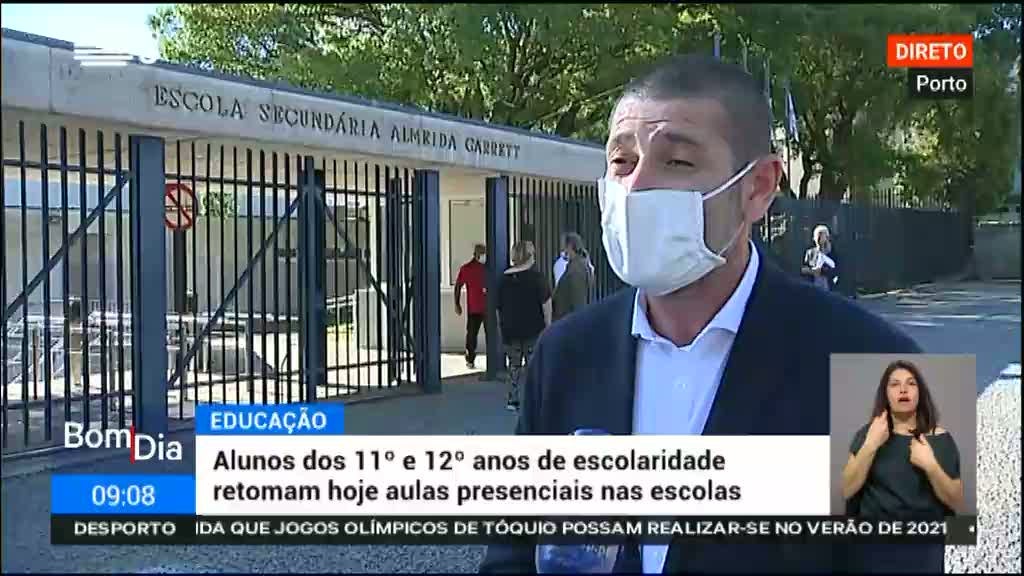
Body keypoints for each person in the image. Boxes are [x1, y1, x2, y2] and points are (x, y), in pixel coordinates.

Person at [480, 54, 922, 574]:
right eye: (622, 161)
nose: (636, 187)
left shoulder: (886, 369)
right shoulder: (563, 354)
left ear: (758, 187)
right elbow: (510, 557)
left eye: (677, 162)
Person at [841, 360, 962, 572]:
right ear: (885, 394)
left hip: (923, 551)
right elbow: (847, 489)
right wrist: (871, 445)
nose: (903, 390)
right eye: (895, 384)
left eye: (911, 383)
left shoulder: (941, 439)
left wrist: (931, 465)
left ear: (920, 394)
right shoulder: (868, 434)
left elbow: (956, 500)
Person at [496, 241, 551, 412]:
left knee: (513, 366)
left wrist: (502, 327)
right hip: (533, 329)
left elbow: (498, 307)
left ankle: (512, 399)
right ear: (530, 256)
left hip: (510, 330)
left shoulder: (504, 279)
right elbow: (546, 305)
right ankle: (533, 401)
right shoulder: (537, 278)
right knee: (533, 367)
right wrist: (548, 327)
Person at [454, 243, 487, 369]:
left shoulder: (488, 268)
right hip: (475, 308)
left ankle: (494, 361)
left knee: (492, 336)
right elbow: (458, 286)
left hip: (488, 307)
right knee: (471, 336)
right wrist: (457, 304)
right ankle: (470, 359)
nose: (484, 256)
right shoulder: (467, 269)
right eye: (482, 253)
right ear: (476, 254)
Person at [551, 232, 593, 321]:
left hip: (569, 320)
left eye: (564, 246)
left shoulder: (577, 269)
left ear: (570, 246)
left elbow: (578, 300)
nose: (563, 249)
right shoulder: (575, 266)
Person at [801, 224, 838, 291]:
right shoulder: (810, 252)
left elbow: (835, 270)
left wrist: (821, 271)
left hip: (828, 288)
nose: (819, 238)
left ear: (827, 237)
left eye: (821, 235)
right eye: (817, 235)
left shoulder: (832, 253)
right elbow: (804, 269)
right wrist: (812, 271)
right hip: (812, 287)